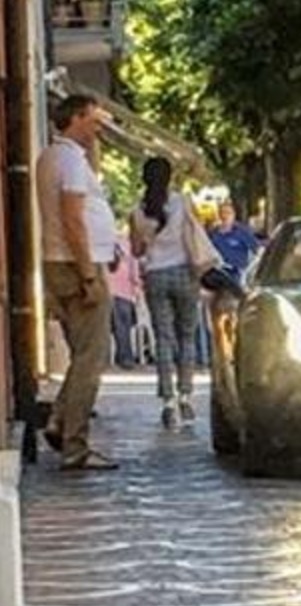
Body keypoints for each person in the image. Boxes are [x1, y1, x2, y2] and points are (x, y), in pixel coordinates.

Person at [36, 93, 119, 471]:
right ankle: (75, 443)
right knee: (92, 357)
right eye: (94, 121)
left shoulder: (56, 156)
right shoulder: (69, 160)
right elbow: (72, 218)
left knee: (84, 354)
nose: (98, 127)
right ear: (76, 119)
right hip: (76, 266)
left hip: (62, 263)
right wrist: (89, 272)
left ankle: (59, 419)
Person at [130, 157, 201, 429]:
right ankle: (186, 396)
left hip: (155, 275)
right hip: (184, 272)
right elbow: (196, 234)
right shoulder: (183, 202)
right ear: (170, 177)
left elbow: (136, 250)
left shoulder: (138, 210)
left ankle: (167, 402)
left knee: (162, 338)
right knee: (187, 337)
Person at [106, 231, 141, 369]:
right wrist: (136, 289)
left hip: (106, 290)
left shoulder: (103, 243)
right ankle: (125, 358)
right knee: (123, 328)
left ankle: (104, 359)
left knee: (104, 329)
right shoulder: (128, 244)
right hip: (124, 292)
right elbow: (134, 271)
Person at [209, 201, 259, 281]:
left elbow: (258, 251)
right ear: (219, 215)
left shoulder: (242, 232)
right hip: (219, 275)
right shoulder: (213, 234)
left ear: (234, 215)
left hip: (237, 275)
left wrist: (249, 271)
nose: (225, 216)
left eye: (228, 213)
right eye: (222, 213)